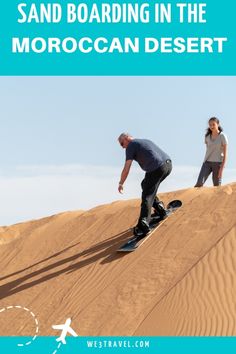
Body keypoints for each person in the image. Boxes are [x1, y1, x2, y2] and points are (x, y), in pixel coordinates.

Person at [118, 133, 172, 236]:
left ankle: (143, 224)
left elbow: (127, 167)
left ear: (127, 138)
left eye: (122, 143)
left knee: (147, 195)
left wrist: (121, 183)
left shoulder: (131, 145)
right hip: (168, 165)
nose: (122, 147)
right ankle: (159, 208)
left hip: (156, 169)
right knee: (145, 185)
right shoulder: (144, 140)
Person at [195, 117, 228, 187]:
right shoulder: (207, 136)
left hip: (218, 163)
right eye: (210, 125)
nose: (211, 126)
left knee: (217, 186)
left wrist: (221, 169)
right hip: (207, 163)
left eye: (213, 124)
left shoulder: (223, 136)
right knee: (199, 183)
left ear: (218, 124)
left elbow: (225, 154)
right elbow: (208, 150)